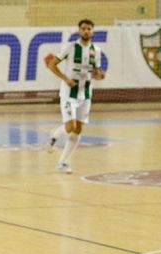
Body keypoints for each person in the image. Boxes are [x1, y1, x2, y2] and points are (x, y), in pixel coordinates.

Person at [46, 19, 105, 174]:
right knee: (70, 126)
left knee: (78, 129)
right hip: (68, 93)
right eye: (83, 28)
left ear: (92, 31)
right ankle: (54, 134)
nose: (86, 31)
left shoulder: (96, 50)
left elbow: (96, 72)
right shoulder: (70, 47)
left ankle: (62, 162)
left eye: (89, 29)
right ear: (79, 31)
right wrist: (66, 79)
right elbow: (52, 64)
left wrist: (99, 75)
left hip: (85, 94)